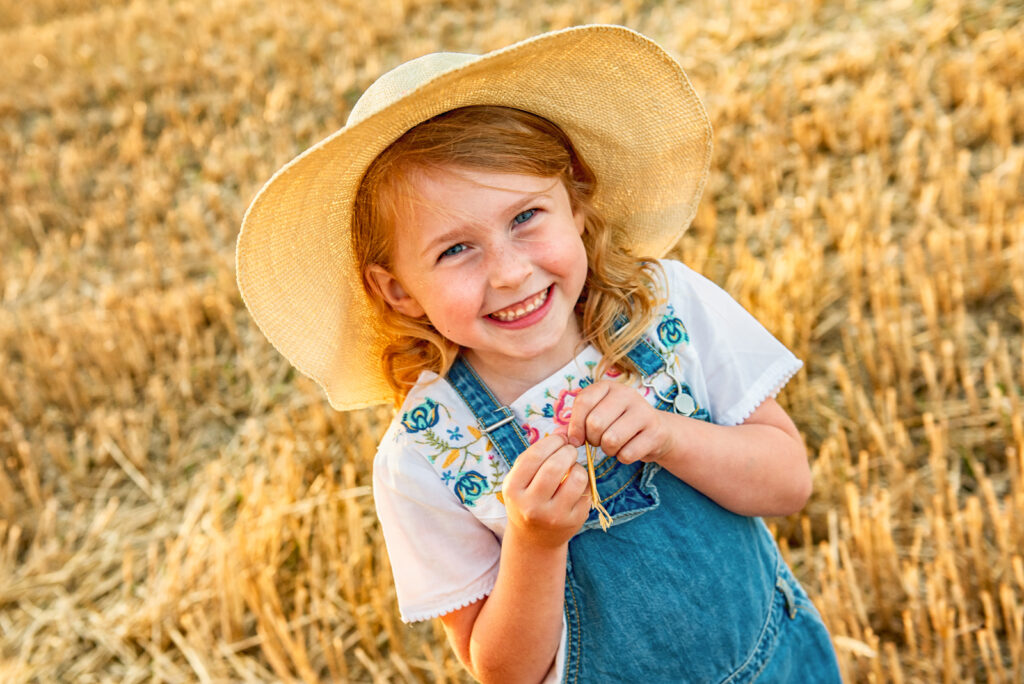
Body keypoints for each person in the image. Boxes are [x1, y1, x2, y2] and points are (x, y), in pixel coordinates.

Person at [236, 25, 842, 683]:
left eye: (525, 218)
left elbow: (788, 482)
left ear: (576, 199)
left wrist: (670, 436)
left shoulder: (665, 309)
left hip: (778, 661)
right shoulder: (428, 455)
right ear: (398, 290)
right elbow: (502, 671)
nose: (509, 273)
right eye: (455, 250)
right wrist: (533, 541)